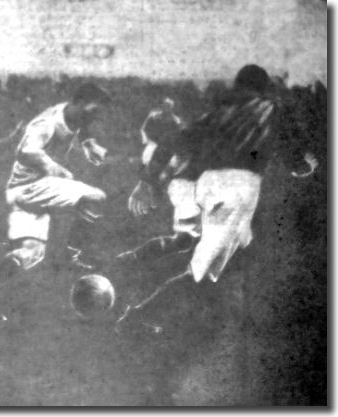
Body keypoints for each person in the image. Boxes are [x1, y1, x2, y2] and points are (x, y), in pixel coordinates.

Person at [117, 64, 318, 323]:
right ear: (264, 88)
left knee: (188, 241)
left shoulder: (218, 113)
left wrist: (146, 183)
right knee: (202, 275)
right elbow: (295, 158)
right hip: (238, 189)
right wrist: (305, 167)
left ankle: (130, 261)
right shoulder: (273, 108)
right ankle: (137, 318)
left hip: (205, 184)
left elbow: (170, 141)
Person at [0, 83, 113, 320]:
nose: (94, 118)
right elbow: (25, 151)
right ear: (78, 102)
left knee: (31, 253)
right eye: (92, 112)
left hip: (25, 194)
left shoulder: (71, 114)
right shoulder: (46, 124)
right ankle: (74, 250)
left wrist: (89, 144)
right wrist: (52, 167)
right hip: (31, 187)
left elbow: (80, 127)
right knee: (96, 197)